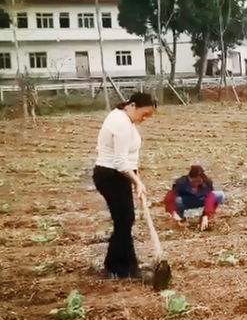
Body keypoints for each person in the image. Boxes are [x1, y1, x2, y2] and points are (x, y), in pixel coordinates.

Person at [92, 92, 157, 279]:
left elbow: (129, 158)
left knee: (125, 220)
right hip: (110, 176)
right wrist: (137, 181)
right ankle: (117, 267)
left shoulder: (125, 120)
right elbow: (120, 162)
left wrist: (136, 178)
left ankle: (126, 265)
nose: (144, 119)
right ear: (133, 106)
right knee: (124, 220)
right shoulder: (120, 123)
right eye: (144, 114)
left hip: (118, 175)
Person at [164, 165, 225, 230]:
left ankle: (204, 220)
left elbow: (209, 199)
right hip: (185, 201)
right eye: (194, 181)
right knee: (177, 200)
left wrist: (206, 216)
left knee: (219, 195)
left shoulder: (207, 183)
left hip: (201, 199)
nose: (196, 184)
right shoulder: (181, 183)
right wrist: (174, 213)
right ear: (189, 178)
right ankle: (181, 220)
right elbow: (169, 198)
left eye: (198, 182)